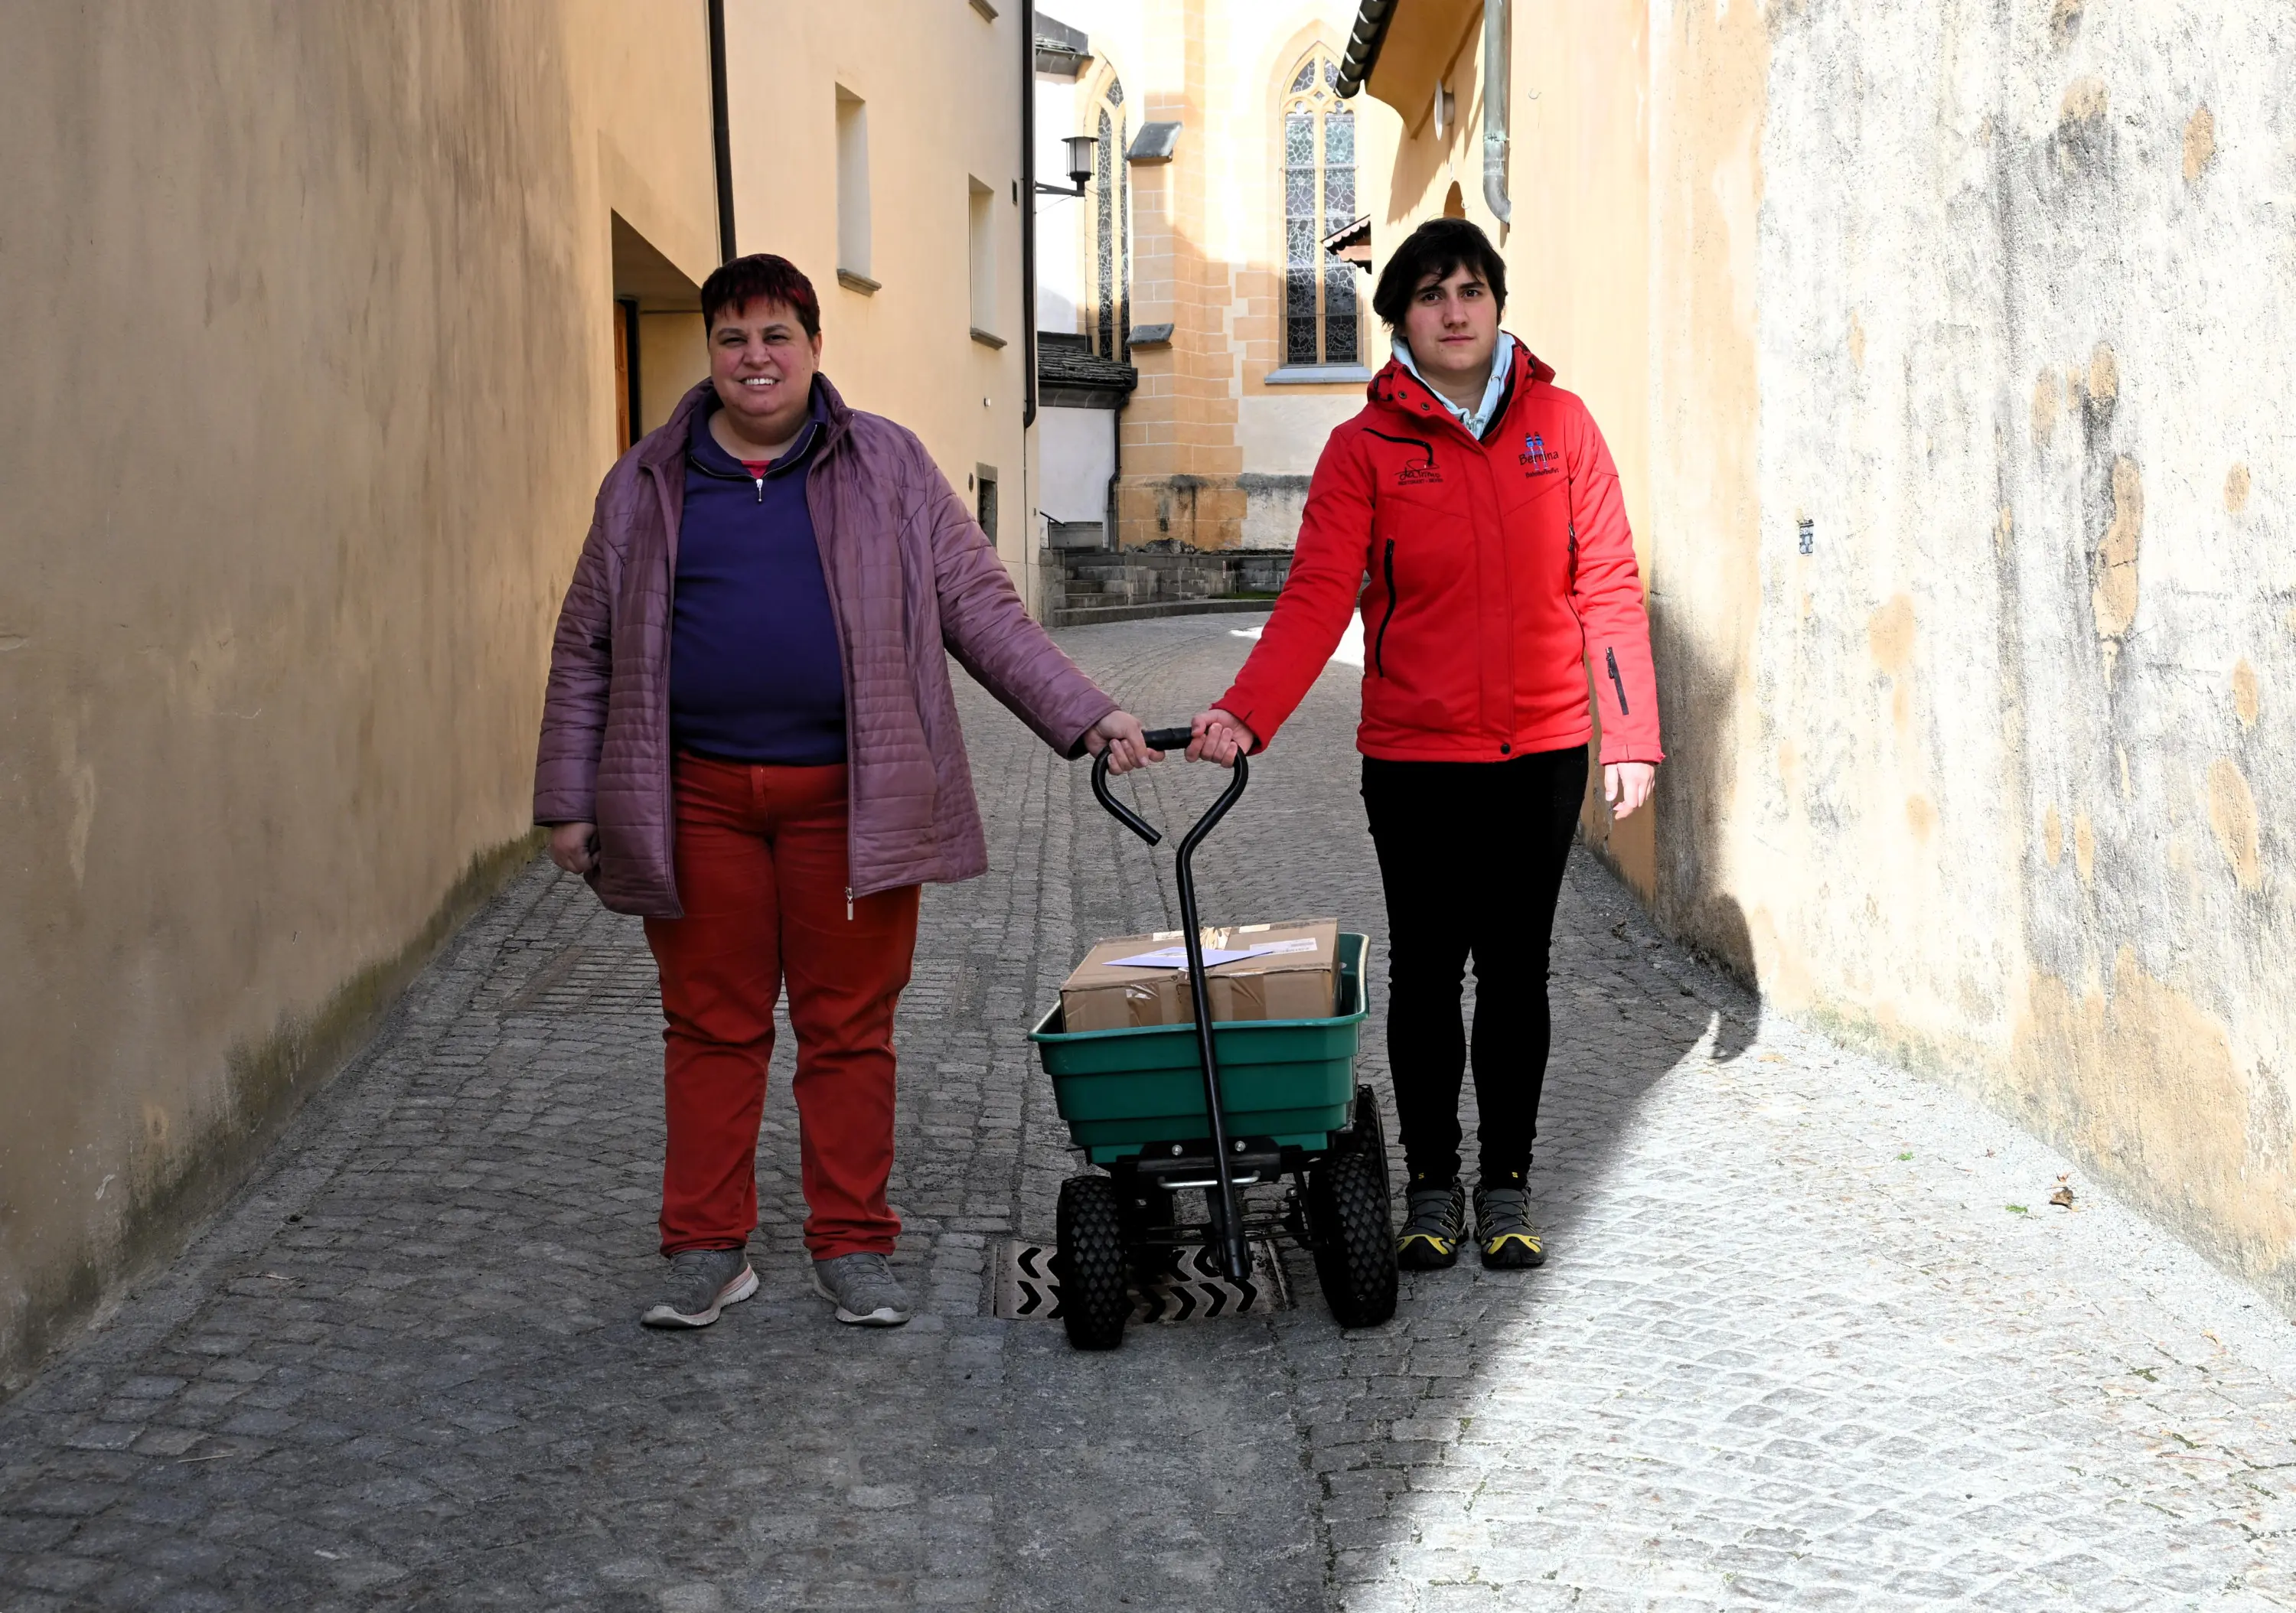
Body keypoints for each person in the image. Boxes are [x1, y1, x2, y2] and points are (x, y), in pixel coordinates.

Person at [534, 254, 1156, 1331]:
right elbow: (585, 643)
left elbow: (981, 607)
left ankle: (854, 1242)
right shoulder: (645, 480)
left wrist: (1085, 713)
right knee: (710, 1025)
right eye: (732, 339)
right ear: (712, 356)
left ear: (815, 347)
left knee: (848, 1027)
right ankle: (706, 1246)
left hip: (853, 799)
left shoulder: (891, 466)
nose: (754, 358)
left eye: (776, 335)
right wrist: (567, 798)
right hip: (700, 801)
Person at [1187, 218, 1662, 1272]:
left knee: (1519, 971)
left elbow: (1608, 590)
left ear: (1498, 304)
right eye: (1433, 294)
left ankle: (1506, 1183)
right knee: (1428, 970)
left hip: (1541, 751)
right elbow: (1319, 596)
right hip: (1414, 758)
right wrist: (1245, 709)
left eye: (1474, 291)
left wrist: (1629, 735)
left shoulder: (1564, 427)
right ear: (1400, 313)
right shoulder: (1364, 450)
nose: (1457, 310)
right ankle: (1433, 1186)